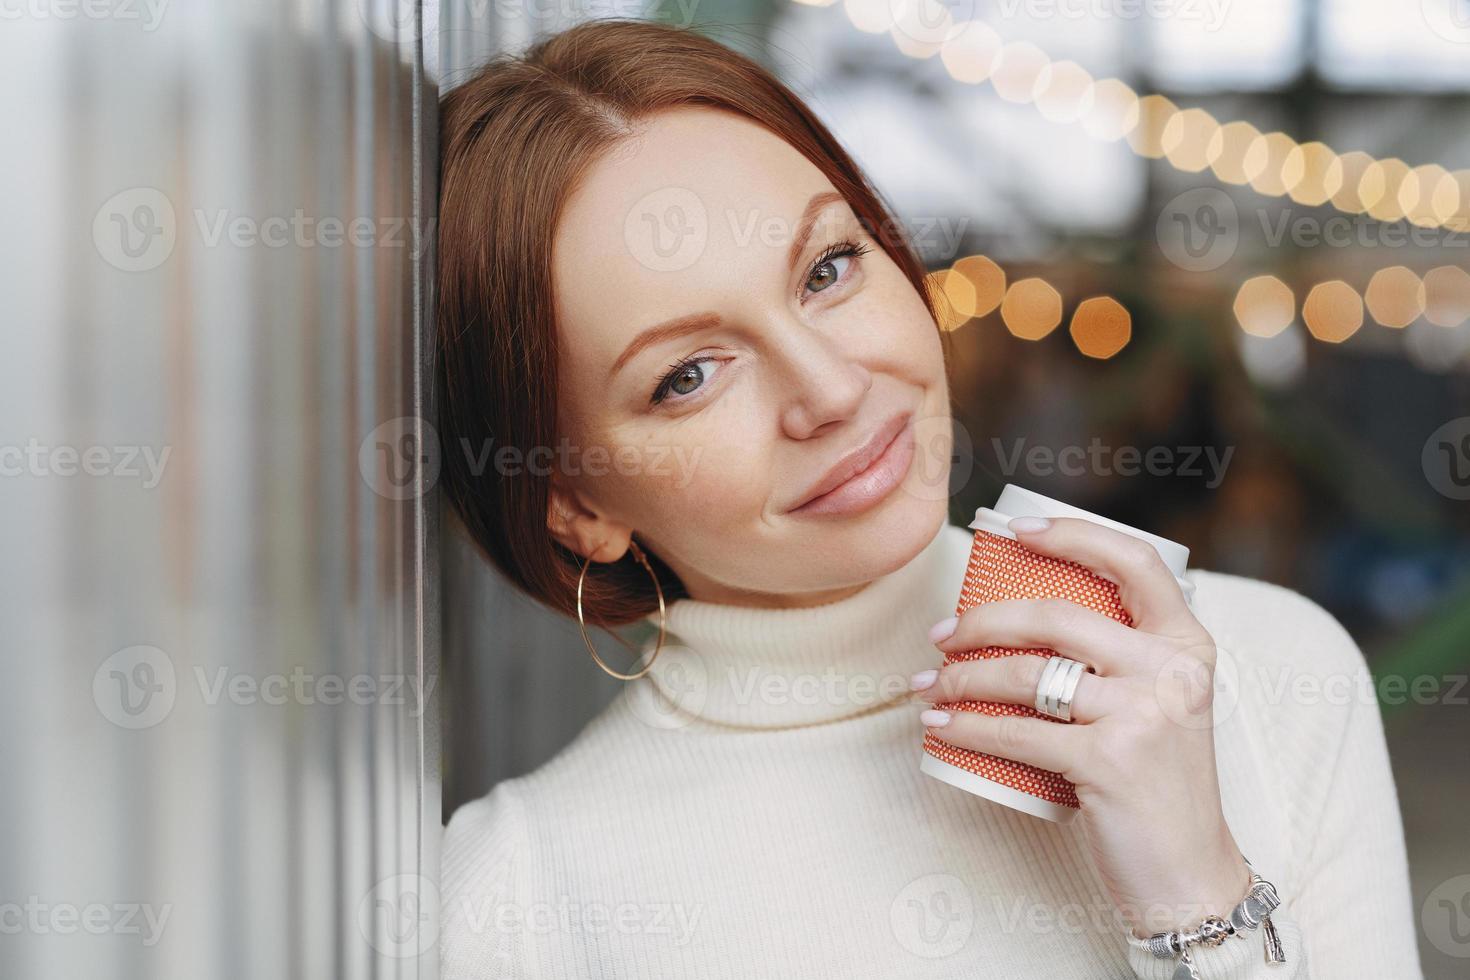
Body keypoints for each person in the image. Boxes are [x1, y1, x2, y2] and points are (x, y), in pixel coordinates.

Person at [434, 18, 1422, 978]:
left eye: (828, 268)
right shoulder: (512, 903)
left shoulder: (1271, 674)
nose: (831, 388)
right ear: (575, 505)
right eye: (690, 373)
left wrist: (1203, 906)